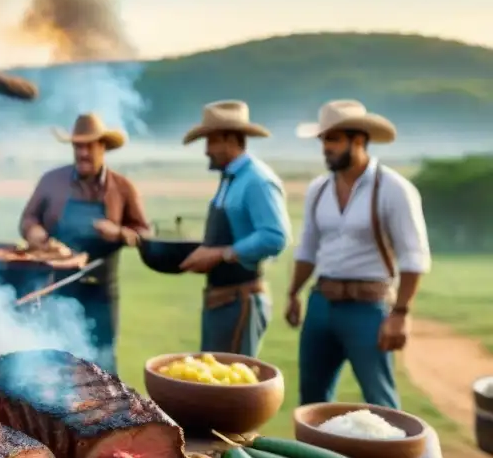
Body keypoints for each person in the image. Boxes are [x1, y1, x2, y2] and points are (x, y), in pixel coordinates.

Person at [286, 100, 431, 409]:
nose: (326, 147)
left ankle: (393, 457)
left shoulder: (394, 189)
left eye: (334, 139)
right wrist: (293, 293)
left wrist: (401, 314)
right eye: (324, 139)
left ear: (360, 140)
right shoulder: (318, 189)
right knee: (311, 401)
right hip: (321, 303)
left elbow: (414, 257)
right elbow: (307, 249)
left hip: (368, 307)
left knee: (380, 400)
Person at [19, 113, 150, 374]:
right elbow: (27, 219)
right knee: (58, 365)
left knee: (104, 366)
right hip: (58, 289)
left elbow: (144, 233)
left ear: (103, 147)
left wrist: (120, 233)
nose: (82, 153)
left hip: (102, 292)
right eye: (77, 146)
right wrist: (38, 235)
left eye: (89, 146)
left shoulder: (122, 187)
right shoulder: (51, 181)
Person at [178, 101, 290, 356]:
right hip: (220, 300)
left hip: (240, 301)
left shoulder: (257, 180)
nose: (207, 151)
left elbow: (276, 236)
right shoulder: (231, 178)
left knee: (233, 388)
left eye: (211, 142)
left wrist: (220, 254)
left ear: (230, 139)